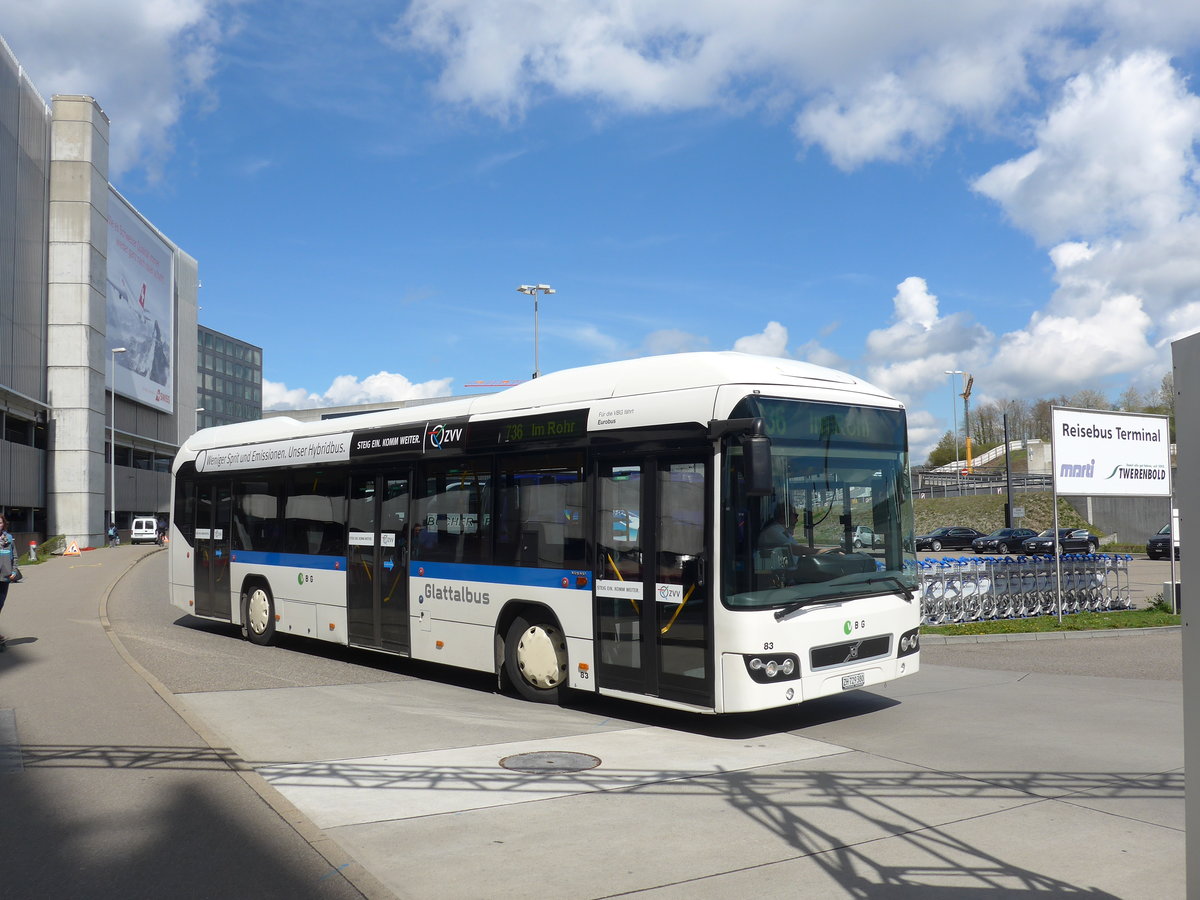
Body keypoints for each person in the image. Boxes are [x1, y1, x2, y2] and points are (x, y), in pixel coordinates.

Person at [0, 513, 15, 646]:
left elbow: (14, 556)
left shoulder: (8, 538)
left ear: (3, 524)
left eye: (0, 522)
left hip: (5, 577)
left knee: (0, 604)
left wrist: (14, 571)